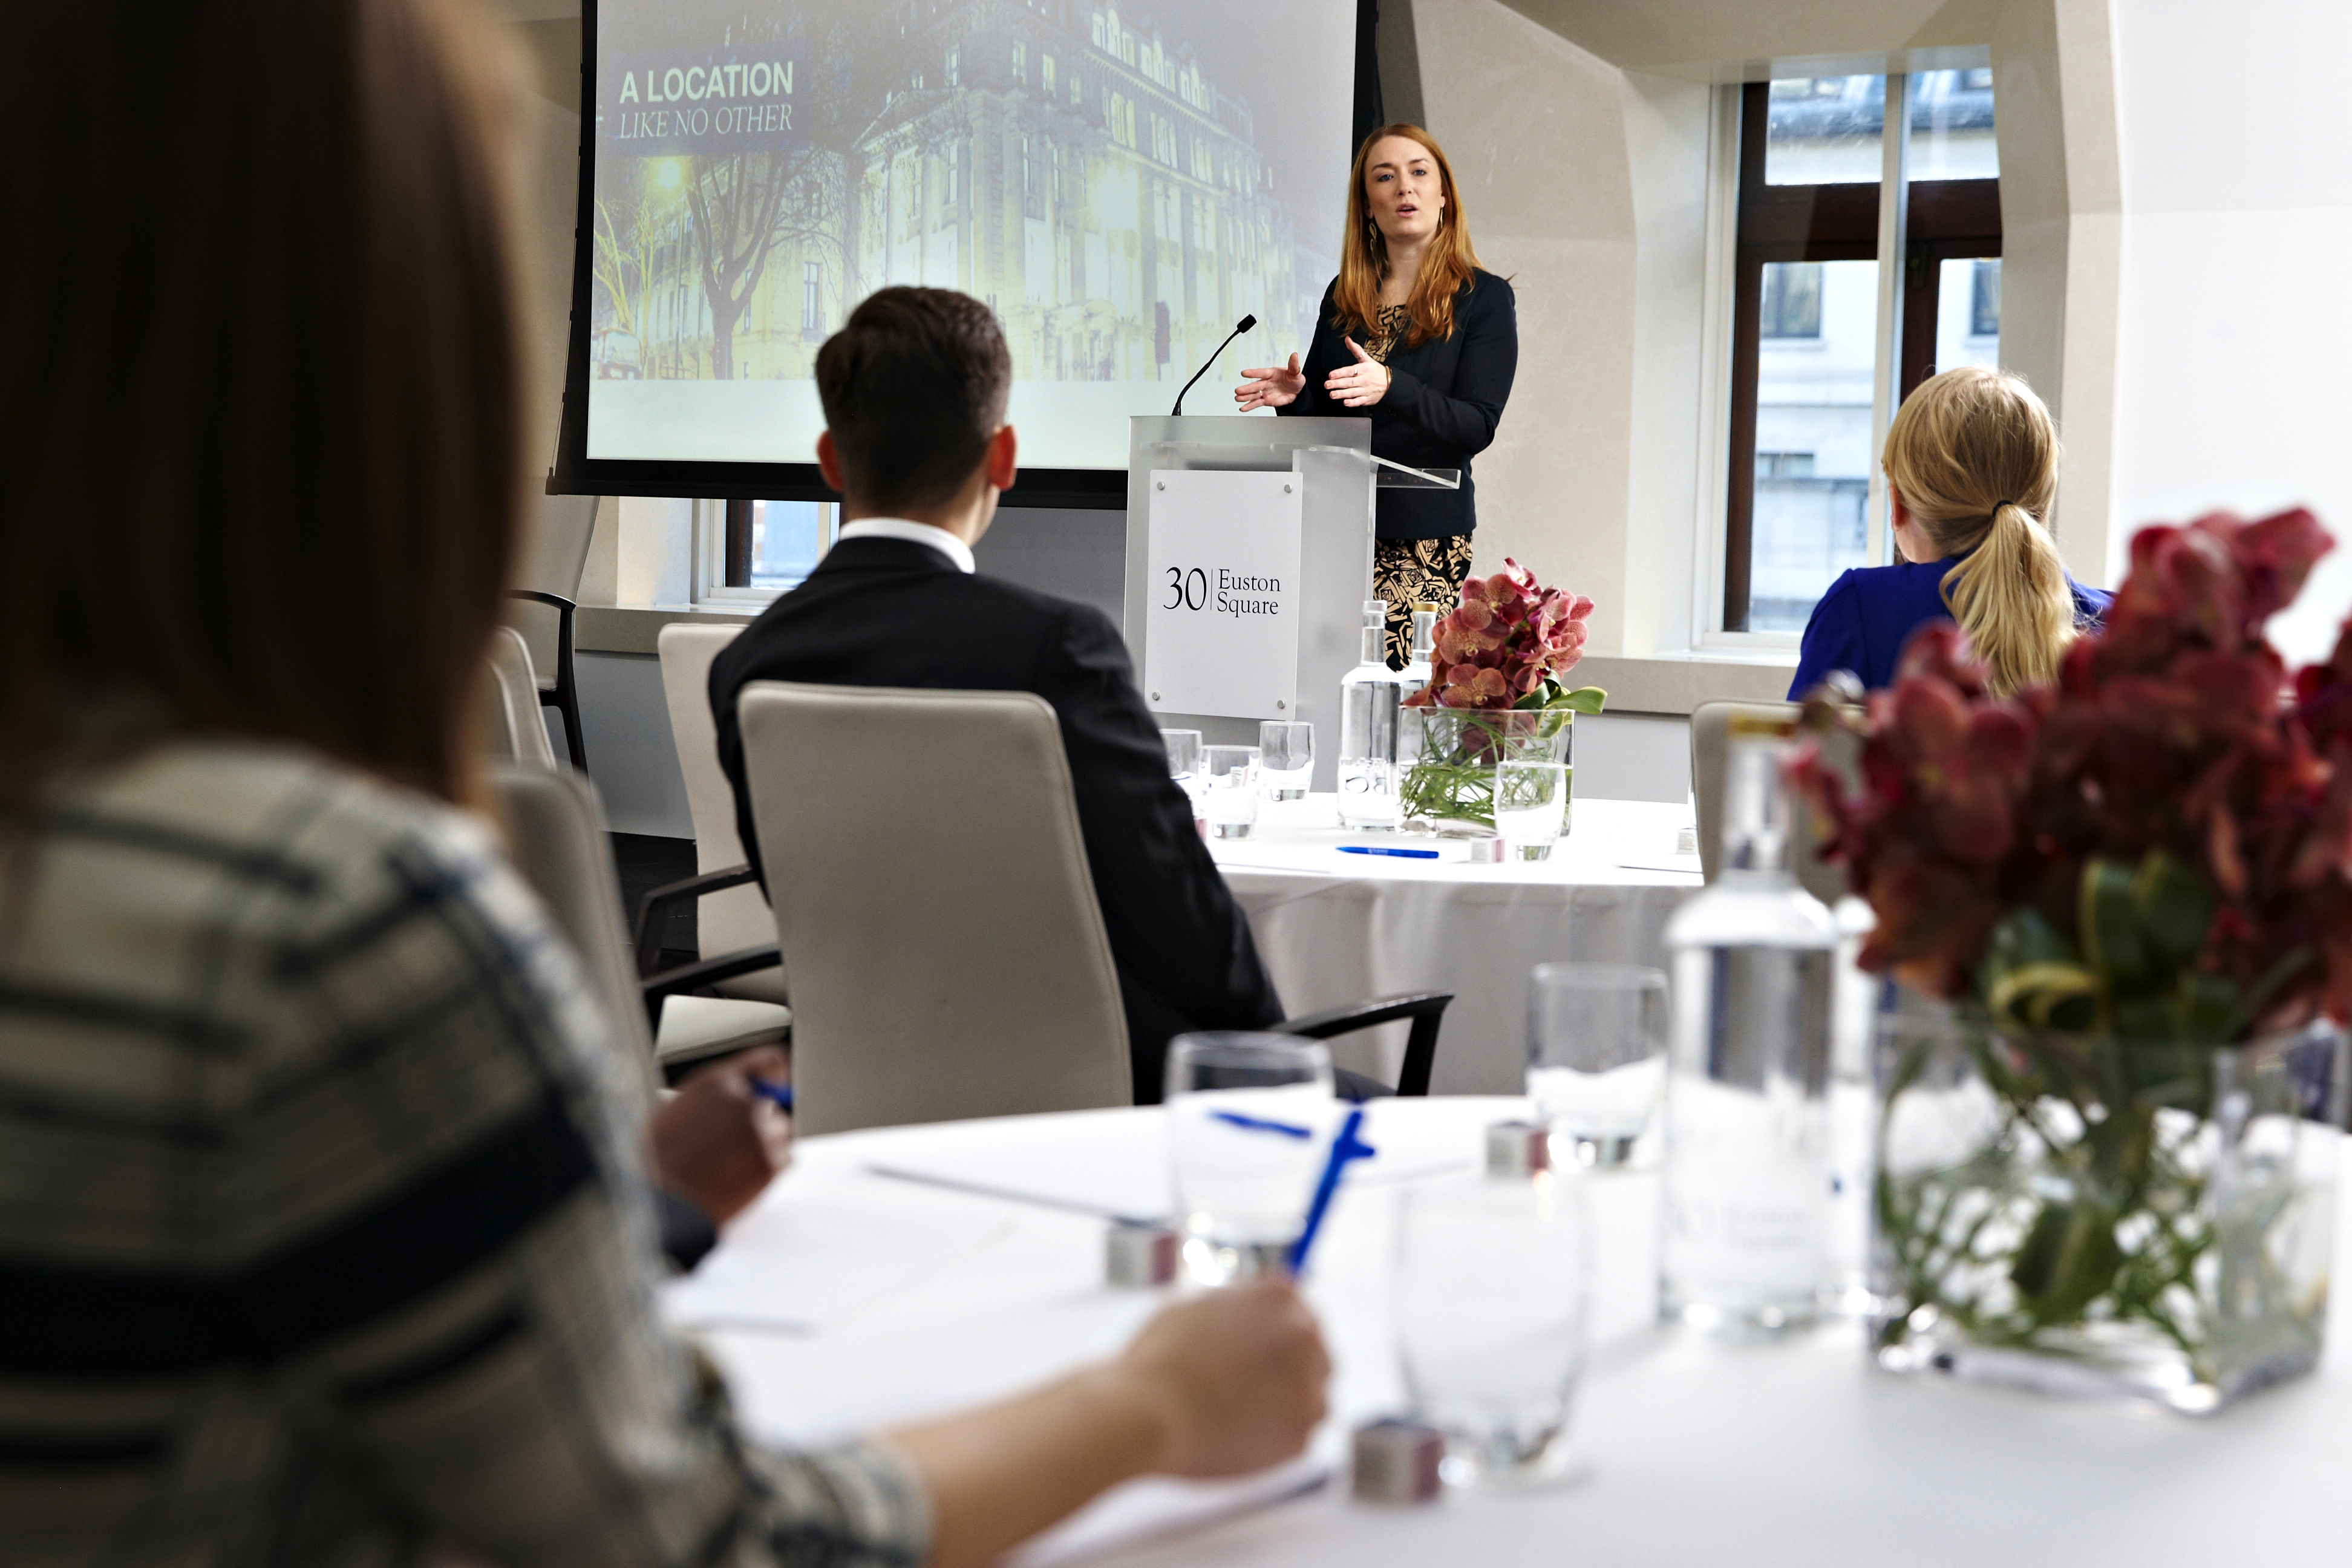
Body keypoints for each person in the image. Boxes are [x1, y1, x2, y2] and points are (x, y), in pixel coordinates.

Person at [0, 4, 1328, 1566]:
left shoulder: (751, 661)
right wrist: (1152, 1409)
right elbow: (693, 1538)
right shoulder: (329, 933)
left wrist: (610, 1207)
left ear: (829, 461)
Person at [709, 286, 1286, 1102]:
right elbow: (1192, 943)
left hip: (859, 1090)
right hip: (1084, 1107)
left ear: (831, 459)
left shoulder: (746, 664)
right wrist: (1276, 1049)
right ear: (1004, 457)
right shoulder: (1059, 649)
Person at [1236, 122, 1519, 665]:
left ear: (1444, 197)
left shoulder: (1483, 299)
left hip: (1421, 539)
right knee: (1324, 686)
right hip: (1336, 529)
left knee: (1394, 700)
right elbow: (1326, 428)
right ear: (1368, 205)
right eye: (1385, 178)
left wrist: (1393, 387)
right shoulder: (1344, 296)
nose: (1404, 188)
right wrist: (1296, 398)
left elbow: (1476, 426)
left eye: (1418, 174)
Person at [1789, 367, 2111, 699]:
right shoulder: (2122, 627)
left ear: (1897, 504)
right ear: (2044, 504)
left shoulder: (1857, 609)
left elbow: (1807, 748)